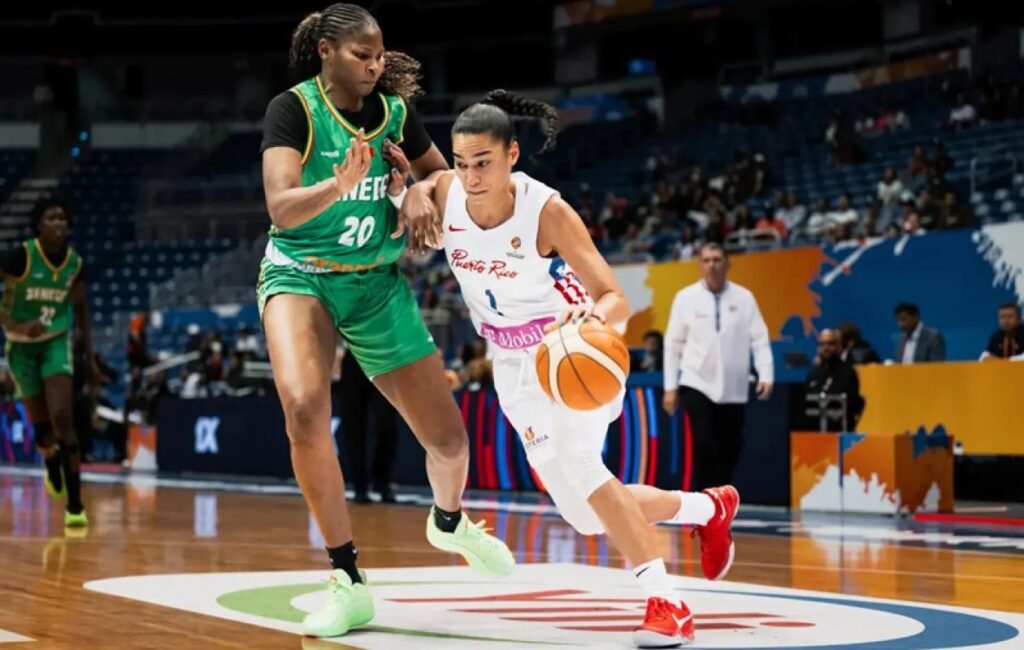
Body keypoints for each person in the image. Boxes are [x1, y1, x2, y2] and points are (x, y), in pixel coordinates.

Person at [399, 89, 740, 648]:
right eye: (461, 164)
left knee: (584, 465)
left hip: (573, 349)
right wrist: (413, 189)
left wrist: (594, 316)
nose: (471, 176)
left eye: (483, 162)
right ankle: (709, 506)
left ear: (512, 154)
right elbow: (419, 184)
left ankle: (668, 602)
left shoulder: (547, 211)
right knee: (585, 514)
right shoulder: (446, 192)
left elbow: (614, 296)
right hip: (511, 364)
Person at [258, 4, 514, 639]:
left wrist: (420, 191)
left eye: (379, 55)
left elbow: (442, 176)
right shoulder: (293, 111)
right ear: (325, 51)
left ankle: (449, 522)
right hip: (302, 275)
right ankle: (347, 579)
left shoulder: (396, 114)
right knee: (304, 409)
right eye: (361, 55)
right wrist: (337, 186)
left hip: (375, 283)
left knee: (450, 444)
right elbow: (281, 206)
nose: (374, 66)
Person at [0, 197, 98, 527]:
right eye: (51, 217)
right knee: (43, 430)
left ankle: (75, 506)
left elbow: (81, 310)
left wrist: (90, 358)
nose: (58, 223)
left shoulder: (75, 263)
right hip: (21, 347)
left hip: (56, 342)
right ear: (38, 224)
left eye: (62, 218)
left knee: (62, 416)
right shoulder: (20, 257)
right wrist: (16, 325)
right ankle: (51, 459)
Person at [662, 243, 774, 491]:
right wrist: (670, 388)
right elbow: (673, 345)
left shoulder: (744, 298)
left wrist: (766, 373)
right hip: (696, 382)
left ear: (727, 263)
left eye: (717, 260)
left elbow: (759, 339)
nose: (712, 265)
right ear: (700, 265)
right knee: (704, 444)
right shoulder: (685, 298)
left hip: (734, 387)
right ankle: (705, 502)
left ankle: (721, 499)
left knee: (731, 447)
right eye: (706, 260)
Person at [337, 343, 398, 503]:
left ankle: (382, 482)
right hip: (353, 355)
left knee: (386, 423)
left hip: (385, 356)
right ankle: (360, 486)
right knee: (353, 425)